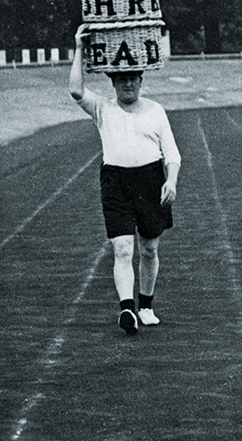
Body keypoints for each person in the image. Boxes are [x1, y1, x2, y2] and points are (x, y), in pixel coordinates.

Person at [69, 24, 181, 334]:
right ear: (114, 82)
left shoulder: (156, 111)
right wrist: (80, 47)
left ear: (141, 81)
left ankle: (145, 305)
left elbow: (172, 153)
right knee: (121, 248)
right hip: (115, 182)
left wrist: (170, 180)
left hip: (150, 181)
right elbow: (76, 90)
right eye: (121, 79)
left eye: (133, 78)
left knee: (149, 249)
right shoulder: (103, 109)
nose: (128, 84)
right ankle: (127, 310)